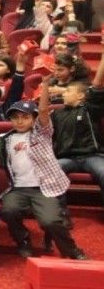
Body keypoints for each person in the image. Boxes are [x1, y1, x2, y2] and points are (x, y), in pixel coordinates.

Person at [0, 82, 87, 260]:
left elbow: (44, 111)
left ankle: (71, 250)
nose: (20, 121)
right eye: (15, 117)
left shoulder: (41, 134)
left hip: (43, 188)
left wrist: (45, 85)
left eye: (25, 117)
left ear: (34, 119)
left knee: (51, 221)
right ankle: (23, 241)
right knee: (8, 211)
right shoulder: (5, 139)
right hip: (17, 188)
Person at [51, 48, 104, 207]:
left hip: (92, 156)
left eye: (68, 91)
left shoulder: (90, 108)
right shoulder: (57, 113)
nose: (63, 94)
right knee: (52, 171)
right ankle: (60, 212)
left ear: (81, 96)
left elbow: (97, 84)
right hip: (67, 157)